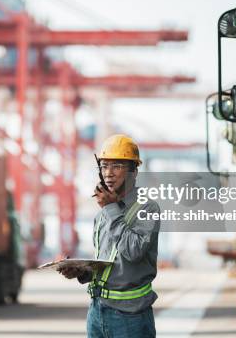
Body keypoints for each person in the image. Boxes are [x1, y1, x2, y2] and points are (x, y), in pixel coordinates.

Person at [59, 134, 160, 338]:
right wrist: (81, 271)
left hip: (130, 318)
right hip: (97, 311)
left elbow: (133, 251)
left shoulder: (147, 208)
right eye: (104, 166)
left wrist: (111, 208)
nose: (108, 174)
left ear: (133, 171)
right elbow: (108, 264)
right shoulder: (103, 213)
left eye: (117, 166)